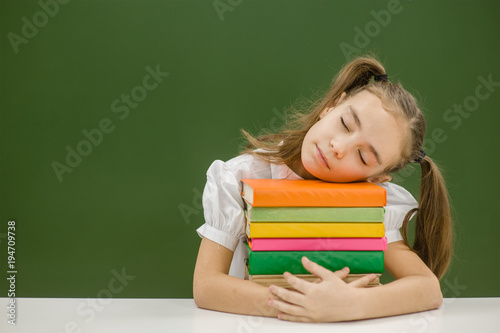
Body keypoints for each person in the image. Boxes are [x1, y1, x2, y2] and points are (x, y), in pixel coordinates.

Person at [193, 55, 453, 322]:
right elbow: (206, 286)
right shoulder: (240, 178)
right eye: (345, 124)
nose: (338, 147)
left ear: (378, 178)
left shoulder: (373, 205)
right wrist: (305, 305)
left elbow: (427, 289)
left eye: (363, 157)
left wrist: (353, 305)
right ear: (331, 107)